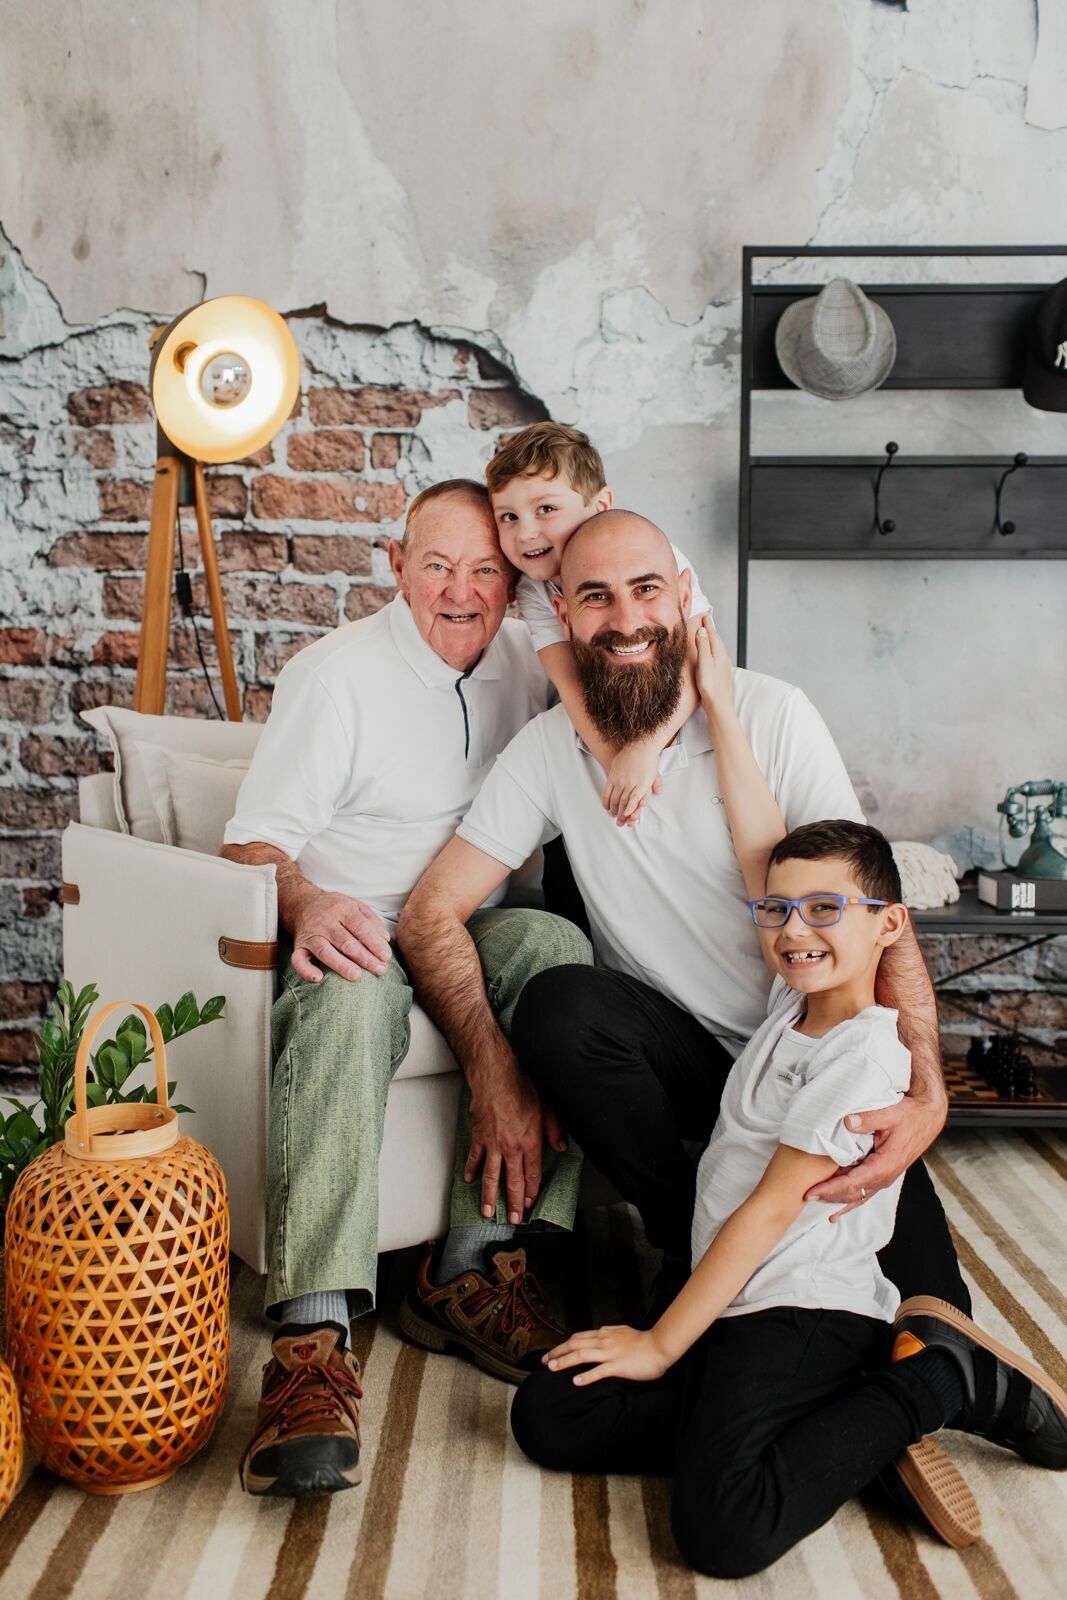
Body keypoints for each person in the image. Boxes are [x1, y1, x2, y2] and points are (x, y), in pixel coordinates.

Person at [509, 659, 1067, 1572]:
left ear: (887, 926)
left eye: (823, 910)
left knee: (723, 1531)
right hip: (740, 1305)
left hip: (800, 1312)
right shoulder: (790, 1005)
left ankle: (932, 1380)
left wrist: (659, 1341)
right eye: (776, 911)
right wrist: (717, 707)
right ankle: (818, 1435)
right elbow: (757, 841)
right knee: (552, 1411)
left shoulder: (863, 1057)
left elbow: (769, 1212)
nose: (792, 927)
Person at [398, 510, 968, 1354]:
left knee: (932, 1320)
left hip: (813, 1062)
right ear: (562, 613)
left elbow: (875, 913)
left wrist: (925, 1087)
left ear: (684, 597)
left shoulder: (772, 714)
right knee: (561, 1005)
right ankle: (693, 1245)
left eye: (644, 590)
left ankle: (950, 1373)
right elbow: (428, 911)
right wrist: (493, 1070)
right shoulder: (551, 750)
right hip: (676, 1064)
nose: (624, 620)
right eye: (595, 597)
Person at [222, 479, 592, 1498]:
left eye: (485, 568)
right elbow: (252, 840)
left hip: (467, 920)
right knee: (342, 993)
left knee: (558, 946)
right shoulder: (331, 676)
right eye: (438, 565)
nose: (463, 591)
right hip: (368, 931)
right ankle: (309, 1343)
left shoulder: (528, 658)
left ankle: (469, 1266)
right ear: (394, 564)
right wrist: (304, 898)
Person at [486, 421, 712, 824]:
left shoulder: (655, 556)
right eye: (508, 517)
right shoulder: (534, 590)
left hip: (676, 707)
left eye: (545, 509)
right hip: (596, 722)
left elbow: (702, 663)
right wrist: (616, 766)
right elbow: (570, 686)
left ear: (600, 505)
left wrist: (644, 750)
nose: (526, 533)